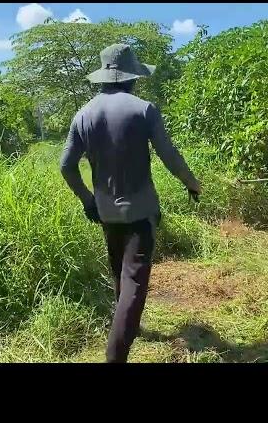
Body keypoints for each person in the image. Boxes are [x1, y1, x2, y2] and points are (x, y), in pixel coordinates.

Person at [59, 43, 201, 363]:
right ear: (131, 77)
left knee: (119, 274)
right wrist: (192, 185)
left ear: (105, 78)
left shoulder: (83, 114)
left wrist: (87, 200)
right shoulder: (144, 109)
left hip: (106, 211)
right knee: (134, 283)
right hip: (140, 211)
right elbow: (170, 156)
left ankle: (128, 330)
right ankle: (116, 355)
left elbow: (66, 167)